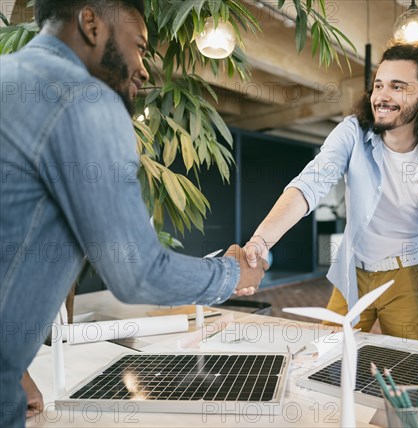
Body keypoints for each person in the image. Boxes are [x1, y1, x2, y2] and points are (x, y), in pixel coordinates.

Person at [0, 1, 267, 425]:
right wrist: (234, 275)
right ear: (91, 23)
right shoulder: (85, 99)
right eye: (139, 46)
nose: (143, 69)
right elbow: (136, 271)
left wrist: (14, 370)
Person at [244, 43, 418, 356]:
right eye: (379, 85)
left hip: (407, 277)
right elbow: (310, 184)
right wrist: (260, 243)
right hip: (353, 271)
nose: (382, 96)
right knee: (326, 356)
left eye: (398, 87)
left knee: (409, 364)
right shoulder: (353, 133)